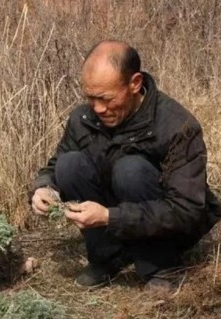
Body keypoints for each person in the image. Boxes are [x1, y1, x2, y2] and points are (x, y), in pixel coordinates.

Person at [30, 40, 221, 290]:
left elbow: (186, 211)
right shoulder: (83, 118)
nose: (98, 108)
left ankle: (161, 265)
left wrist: (110, 217)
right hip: (118, 213)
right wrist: (45, 188)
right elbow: (55, 165)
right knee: (69, 164)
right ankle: (108, 258)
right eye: (90, 97)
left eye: (106, 98)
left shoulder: (177, 126)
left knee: (130, 170)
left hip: (169, 227)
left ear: (135, 84)